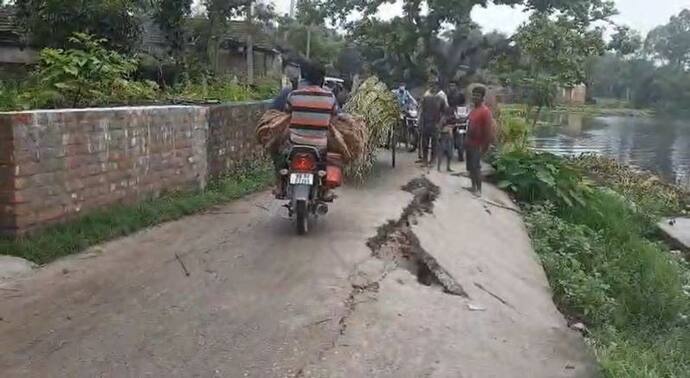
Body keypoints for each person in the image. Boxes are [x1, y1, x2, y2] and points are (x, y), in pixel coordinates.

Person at [270, 61, 337, 198]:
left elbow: (287, 115)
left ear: (304, 77)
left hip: (294, 142)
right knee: (333, 157)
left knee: (277, 151)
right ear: (322, 79)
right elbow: (334, 118)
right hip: (320, 145)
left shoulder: (293, 95)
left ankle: (279, 184)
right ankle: (326, 189)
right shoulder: (330, 97)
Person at [465, 85, 494, 196]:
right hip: (469, 143)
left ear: (482, 98)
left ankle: (479, 190)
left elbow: (488, 131)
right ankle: (473, 186)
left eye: (478, 96)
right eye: (474, 95)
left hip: (478, 144)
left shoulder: (485, 112)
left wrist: (484, 147)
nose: (475, 97)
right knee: (470, 167)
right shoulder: (474, 110)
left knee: (476, 167)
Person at [419, 79, 447, 165]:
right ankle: (424, 159)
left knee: (435, 143)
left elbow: (444, 113)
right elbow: (421, 111)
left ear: (437, 87)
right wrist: (420, 122)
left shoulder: (441, 98)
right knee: (425, 143)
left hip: (436, 123)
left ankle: (433, 159)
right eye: (431, 85)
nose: (433, 87)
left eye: (435, 86)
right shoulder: (425, 98)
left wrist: (440, 123)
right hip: (426, 122)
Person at [437, 93, 463, 172]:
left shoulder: (452, 111)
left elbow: (455, 121)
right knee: (444, 151)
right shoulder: (448, 112)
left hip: (448, 133)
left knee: (448, 152)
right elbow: (442, 123)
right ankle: (442, 167)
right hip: (446, 133)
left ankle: (444, 167)